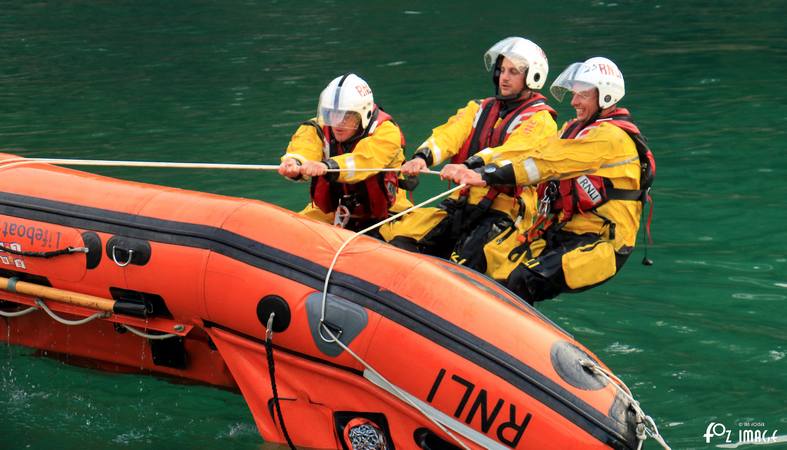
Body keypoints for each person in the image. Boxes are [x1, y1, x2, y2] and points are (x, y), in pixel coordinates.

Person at [449, 57, 655, 304]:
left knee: (524, 279)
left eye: (583, 95)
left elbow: (545, 165)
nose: (574, 101)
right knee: (493, 261)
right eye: (574, 93)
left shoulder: (610, 138)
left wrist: (487, 177)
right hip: (559, 231)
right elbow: (535, 152)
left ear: (606, 97)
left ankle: (511, 339)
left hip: (601, 243)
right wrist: (478, 165)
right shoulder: (574, 129)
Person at [379, 37, 557, 270]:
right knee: (403, 241)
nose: (504, 77)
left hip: (504, 212)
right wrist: (422, 157)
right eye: (502, 70)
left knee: (461, 265)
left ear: (532, 76)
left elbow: (511, 152)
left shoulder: (541, 120)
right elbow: (449, 134)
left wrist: (469, 166)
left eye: (513, 72)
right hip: (462, 201)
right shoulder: (479, 108)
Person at [279, 73, 412, 231]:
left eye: (347, 117)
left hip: (387, 214)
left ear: (364, 114)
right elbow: (305, 146)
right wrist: (295, 163)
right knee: (288, 229)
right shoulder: (317, 128)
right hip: (334, 212)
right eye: (331, 114)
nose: (337, 123)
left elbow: (364, 160)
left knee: (405, 238)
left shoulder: (386, 132)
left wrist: (327, 166)